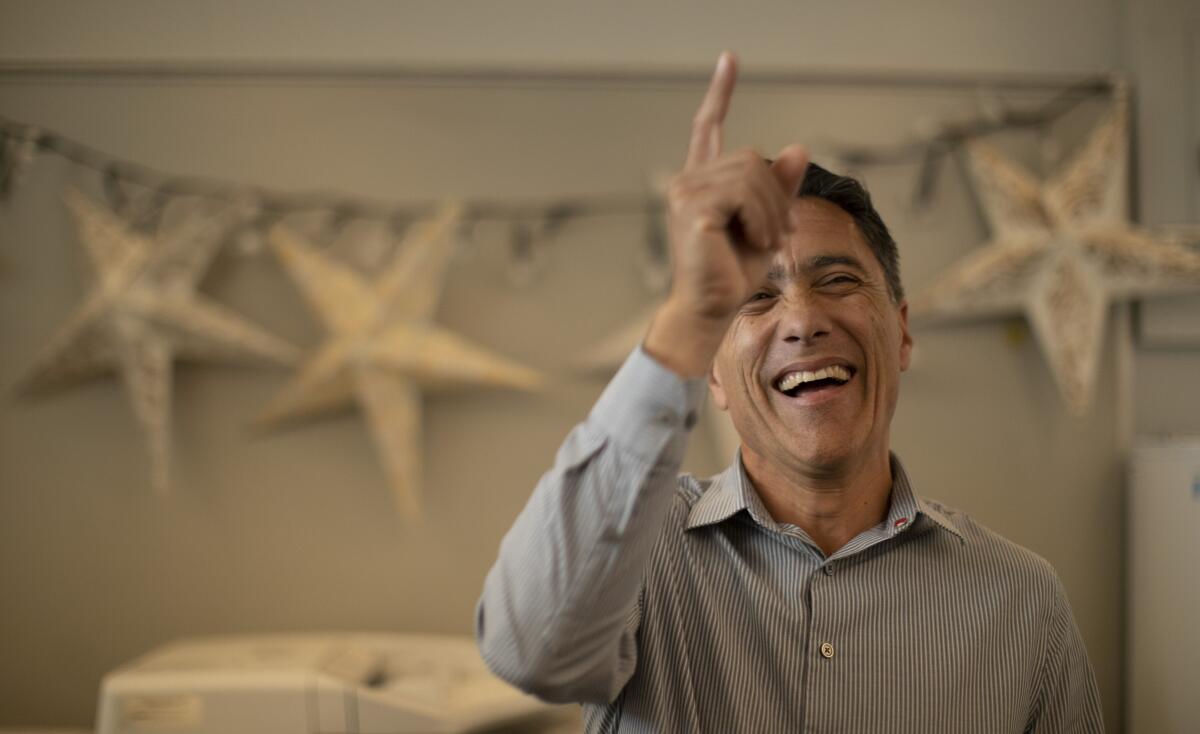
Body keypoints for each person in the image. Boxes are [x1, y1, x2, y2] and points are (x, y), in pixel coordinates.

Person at [475, 52, 1104, 733]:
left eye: (838, 281)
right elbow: (527, 649)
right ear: (711, 372)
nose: (802, 320)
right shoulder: (636, 561)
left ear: (900, 334)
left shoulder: (1022, 601)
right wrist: (690, 314)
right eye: (755, 299)